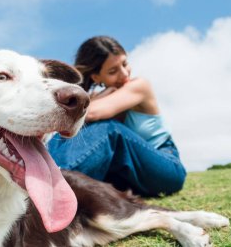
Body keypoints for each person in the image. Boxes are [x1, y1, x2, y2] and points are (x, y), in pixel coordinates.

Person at [47, 36, 186, 196]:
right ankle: (45, 174)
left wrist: (96, 98)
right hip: (126, 177)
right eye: (113, 71)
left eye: (125, 64)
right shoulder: (97, 98)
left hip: (165, 166)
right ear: (96, 77)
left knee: (109, 128)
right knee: (73, 129)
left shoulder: (139, 86)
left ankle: (54, 182)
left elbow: (93, 113)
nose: (124, 74)